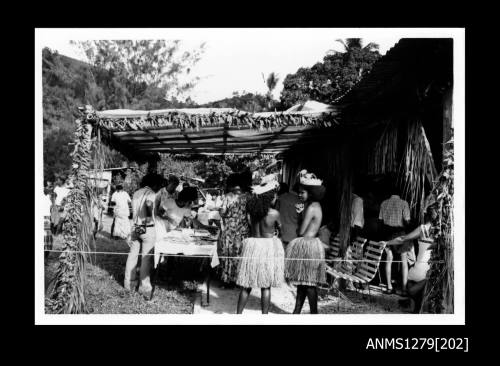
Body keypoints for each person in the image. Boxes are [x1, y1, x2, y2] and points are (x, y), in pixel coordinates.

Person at [236, 174, 284, 314]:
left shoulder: (252, 212)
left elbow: (248, 225)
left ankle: (238, 315)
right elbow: (280, 231)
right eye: (274, 196)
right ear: (269, 197)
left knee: (246, 285)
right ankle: (264, 316)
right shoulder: (274, 213)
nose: (275, 198)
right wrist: (277, 234)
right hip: (267, 247)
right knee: (266, 285)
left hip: (252, 246)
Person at [285, 170, 328, 314]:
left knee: (308, 283)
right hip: (312, 245)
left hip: (308, 245)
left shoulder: (311, 207)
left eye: (302, 192)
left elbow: (301, 231)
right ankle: (297, 312)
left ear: (311, 193)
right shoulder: (316, 206)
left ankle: (313, 313)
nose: (300, 194)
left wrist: (299, 216)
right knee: (304, 282)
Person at [385, 204, 438, 313]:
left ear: (427, 216)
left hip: (415, 272)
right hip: (428, 273)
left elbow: (402, 239)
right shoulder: (441, 233)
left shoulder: (422, 228)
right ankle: (421, 295)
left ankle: (415, 301)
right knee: (422, 284)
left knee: (411, 285)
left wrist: (387, 242)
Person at [124, 173, 163, 299]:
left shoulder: (136, 193)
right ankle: (144, 287)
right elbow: (148, 203)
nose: (159, 187)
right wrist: (147, 216)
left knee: (132, 255)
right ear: (154, 183)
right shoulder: (151, 193)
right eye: (159, 185)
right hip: (147, 228)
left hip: (135, 227)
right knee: (146, 258)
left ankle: (128, 284)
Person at [379, 183, 412, 295]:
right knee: (403, 261)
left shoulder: (384, 203)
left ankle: (389, 287)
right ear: (400, 193)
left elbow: (380, 220)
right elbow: (407, 220)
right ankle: (403, 289)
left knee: (389, 259)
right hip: (400, 233)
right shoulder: (404, 203)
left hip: (387, 233)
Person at [218, 173, 250, 288]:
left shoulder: (228, 196)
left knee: (227, 254)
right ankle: (239, 280)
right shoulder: (248, 197)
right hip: (243, 231)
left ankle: (227, 280)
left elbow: (222, 213)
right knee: (240, 254)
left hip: (229, 231)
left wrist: (222, 211)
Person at [275, 182, 301, 248]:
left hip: (282, 234)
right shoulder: (298, 199)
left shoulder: (279, 199)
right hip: (295, 235)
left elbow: (276, 216)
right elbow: (301, 217)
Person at [43, 187, 53, 261]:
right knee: (45, 236)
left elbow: (50, 207)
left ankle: (45, 257)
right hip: (44, 217)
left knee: (46, 235)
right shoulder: (44, 197)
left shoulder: (47, 197)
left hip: (47, 217)